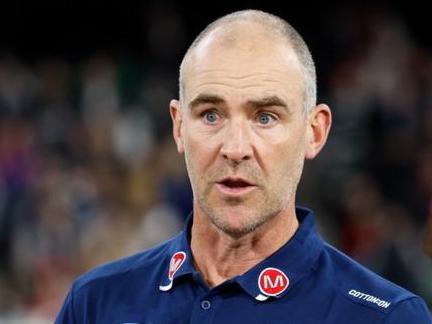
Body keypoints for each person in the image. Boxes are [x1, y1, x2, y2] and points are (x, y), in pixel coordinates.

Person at [55, 9, 432, 323]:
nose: (235, 148)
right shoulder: (95, 304)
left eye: (265, 117)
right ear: (179, 127)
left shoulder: (385, 318)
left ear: (314, 132)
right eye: (211, 114)